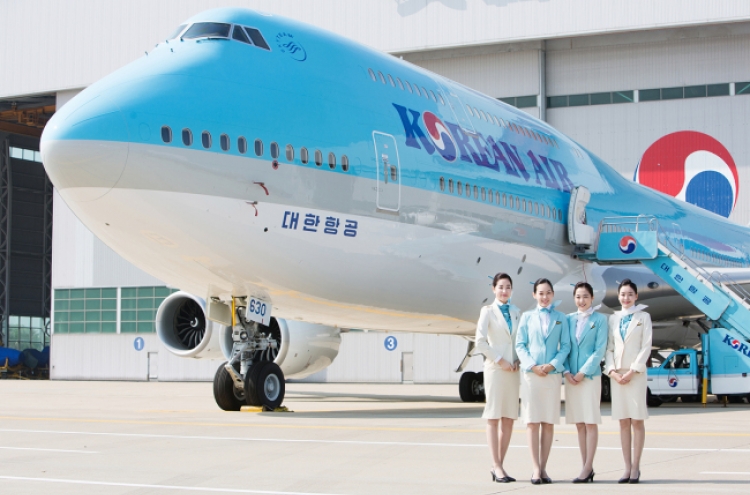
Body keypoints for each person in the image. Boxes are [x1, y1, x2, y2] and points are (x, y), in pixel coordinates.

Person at [515, 278, 570, 484]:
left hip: (551, 375)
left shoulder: (561, 317)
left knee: (548, 422)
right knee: (532, 422)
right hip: (531, 375)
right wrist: (532, 365)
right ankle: (535, 468)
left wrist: (552, 365)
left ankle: (544, 467)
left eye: (548, 293)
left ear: (553, 294)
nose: (544, 297)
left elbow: (565, 346)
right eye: (540, 293)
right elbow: (520, 345)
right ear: (534, 295)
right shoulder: (527, 317)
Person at [475, 272, 521, 483]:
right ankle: (497, 465)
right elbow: (480, 342)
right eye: (501, 287)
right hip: (496, 369)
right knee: (493, 417)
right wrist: (500, 360)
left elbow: (520, 341)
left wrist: (519, 359)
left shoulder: (517, 312)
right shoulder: (488, 312)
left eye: (508, 287)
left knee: (509, 418)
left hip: (513, 371)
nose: (504, 291)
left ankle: (498, 465)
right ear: (493, 289)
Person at [604, 278, 652, 484]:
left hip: (636, 375)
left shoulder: (644, 317)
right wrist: (612, 371)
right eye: (623, 294)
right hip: (617, 375)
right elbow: (609, 348)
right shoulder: (613, 319)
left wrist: (633, 370)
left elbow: (646, 346)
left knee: (637, 420)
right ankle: (626, 467)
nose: (626, 298)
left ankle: (636, 467)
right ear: (618, 296)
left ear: (636, 296)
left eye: (630, 294)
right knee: (623, 422)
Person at [563, 282, 607, 483]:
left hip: (589, 377)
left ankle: (588, 466)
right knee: (579, 423)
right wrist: (566, 371)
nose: (581, 301)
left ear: (592, 298)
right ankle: (585, 467)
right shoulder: (568, 319)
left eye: (585, 297)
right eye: (578, 297)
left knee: (590, 422)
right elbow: (563, 347)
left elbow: (600, 350)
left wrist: (582, 372)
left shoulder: (600, 320)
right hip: (571, 378)